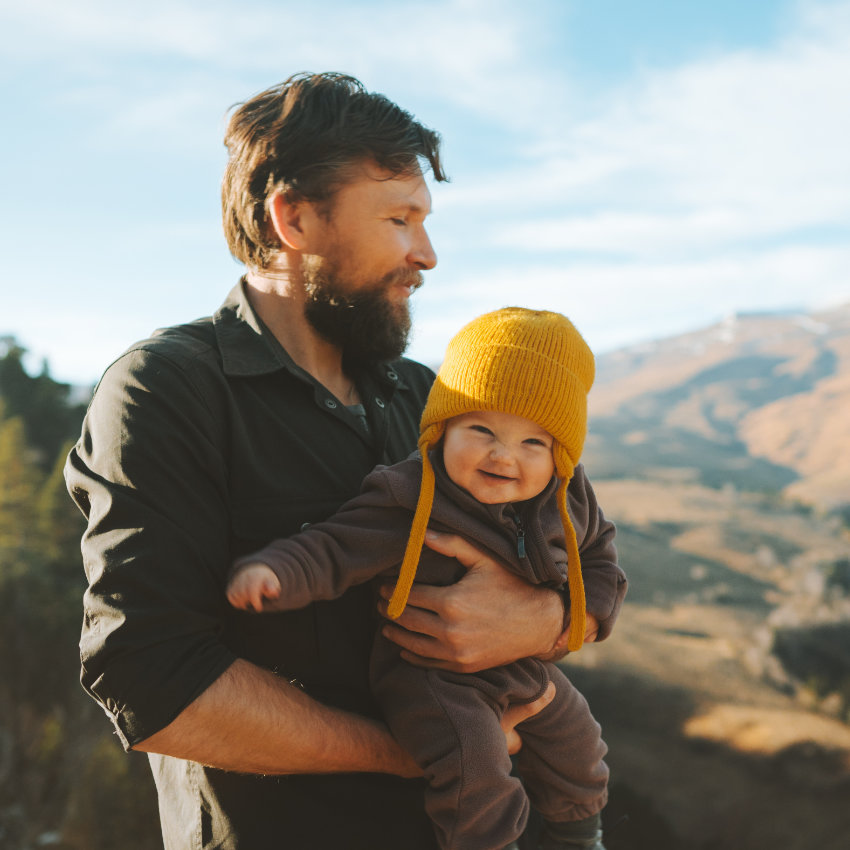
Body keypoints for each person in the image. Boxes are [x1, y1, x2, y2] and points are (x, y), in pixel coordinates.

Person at [64, 73, 590, 850]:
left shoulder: (429, 398)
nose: (428, 253)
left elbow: (568, 537)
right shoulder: (168, 390)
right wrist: (410, 751)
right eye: (400, 219)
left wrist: (544, 616)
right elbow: (152, 682)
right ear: (296, 217)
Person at [227, 307, 626, 850]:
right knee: (474, 766)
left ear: (561, 455)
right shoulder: (410, 493)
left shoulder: (567, 496)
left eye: (534, 443)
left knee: (579, 744)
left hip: (524, 666)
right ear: (441, 430)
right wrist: (277, 571)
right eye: (481, 428)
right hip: (432, 677)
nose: (503, 455)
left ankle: (579, 835)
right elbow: (335, 545)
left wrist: (584, 616)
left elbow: (599, 556)